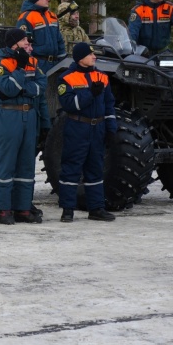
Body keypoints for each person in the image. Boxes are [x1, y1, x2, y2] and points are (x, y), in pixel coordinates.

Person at [0, 28, 51, 225]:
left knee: (26, 165)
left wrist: (44, 123)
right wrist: (20, 73)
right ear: (14, 43)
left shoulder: (32, 61)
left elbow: (41, 87)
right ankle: (4, 210)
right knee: (6, 164)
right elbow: (7, 89)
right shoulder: (1, 63)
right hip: (9, 115)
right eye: (24, 40)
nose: (28, 43)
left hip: (30, 115)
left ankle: (23, 209)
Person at [57, 42, 117, 222]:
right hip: (77, 128)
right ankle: (68, 209)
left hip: (97, 128)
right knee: (71, 168)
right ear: (80, 58)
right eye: (90, 55)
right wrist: (90, 93)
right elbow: (69, 104)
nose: (94, 57)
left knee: (95, 168)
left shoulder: (102, 77)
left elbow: (109, 104)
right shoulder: (66, 78)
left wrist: (111, 129)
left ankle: (96, 208)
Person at [16, 0, 66, 74]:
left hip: (56, 63)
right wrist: (29, 63)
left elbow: (59, 40)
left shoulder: (52, 16)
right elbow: (22, 43)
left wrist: (63, 60)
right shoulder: (27, 17)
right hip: (39, 63)